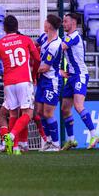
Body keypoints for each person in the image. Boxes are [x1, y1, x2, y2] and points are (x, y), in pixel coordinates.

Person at [0, 15, 41, 155]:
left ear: (4, 28)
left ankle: (15, 148)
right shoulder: (25, 39)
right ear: (17, 27)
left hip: (8, 83)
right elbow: (37, 58)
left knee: (13, 113)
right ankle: (11, 137)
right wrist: (35, 74)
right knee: (27, 113)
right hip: (24, 80)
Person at [60, 13, 99, 150]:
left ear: (73, 23)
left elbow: (60, 48)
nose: (63, 24)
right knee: (65, 109)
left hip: (80, 75)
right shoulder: (67, 37)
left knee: (78, 105)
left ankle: (94, 135)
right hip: (71, 76)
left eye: (65, 21)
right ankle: (71, 140)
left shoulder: (75, 37)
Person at [34, 15, 63, 152]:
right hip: (42, 80)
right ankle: (49, 142)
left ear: (50, 25)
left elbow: (45, 67)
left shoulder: (56, 45)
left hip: (52, 81)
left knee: (48, 112)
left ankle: (56, 144)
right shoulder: (44, 37)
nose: (44, 23)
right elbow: (34, 45)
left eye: (45, 21)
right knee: (39, 111)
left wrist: (29, 71)